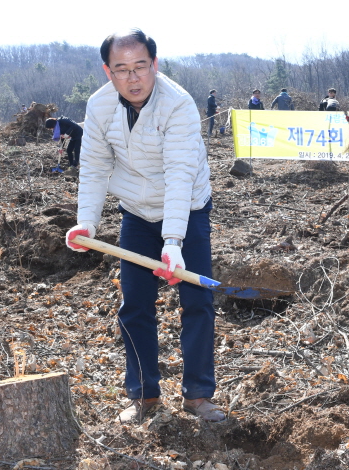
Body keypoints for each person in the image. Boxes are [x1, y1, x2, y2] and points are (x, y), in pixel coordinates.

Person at [65, 28, 223, 423]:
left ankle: (199, 395)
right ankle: (143, 395)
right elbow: (96, 166)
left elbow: (180, 172)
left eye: (140, 67)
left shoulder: (179, 104)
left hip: (187, 209)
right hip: (135, 211)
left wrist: (173, 241)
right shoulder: (99, 107)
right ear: (108, 72)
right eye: (122, 69)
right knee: (134, 304)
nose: (133, 78)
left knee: (197, 301)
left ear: (154, 64)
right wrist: (87, 222)